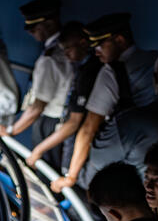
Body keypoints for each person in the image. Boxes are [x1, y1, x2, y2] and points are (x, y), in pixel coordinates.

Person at [50, 13, 157, 192]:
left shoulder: (111, 72)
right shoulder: (154, 59)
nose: (96, 51)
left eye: (100, 45)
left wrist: (71, 176)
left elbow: (89, 128)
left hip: (124, 144)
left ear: (120, 40)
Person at [0, 0, 73, 172]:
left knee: (47, 171)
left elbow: (38, 106)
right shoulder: (60, 51)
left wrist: (11, 130)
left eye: (35, 26)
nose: (30, 31)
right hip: (57, 121)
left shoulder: (50, 58)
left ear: (51, 23)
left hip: (50, 123)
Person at [25, 20, 102, 172]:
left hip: (80, 140)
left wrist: (39, 150)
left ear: (83, 43)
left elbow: (75, 123)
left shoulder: (89, 73)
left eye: (68, 48)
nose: (66, 54)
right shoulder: (81, 68)